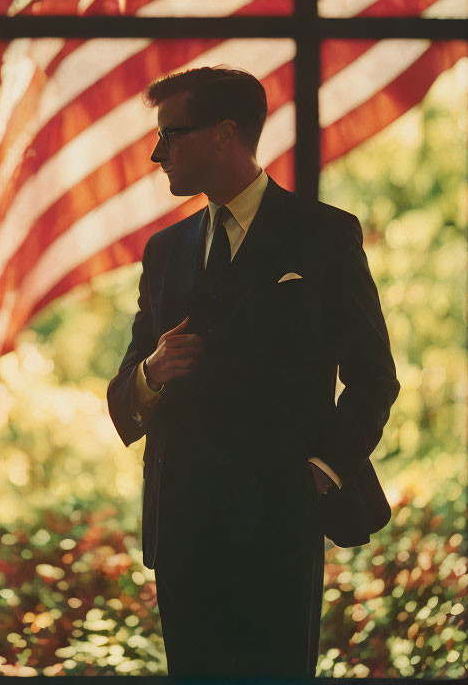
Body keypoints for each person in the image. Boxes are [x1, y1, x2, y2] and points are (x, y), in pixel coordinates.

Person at [106, 66, 400, 678]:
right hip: (182, 529)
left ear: (224, 133)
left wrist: (319, 475)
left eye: (171, 134)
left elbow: (374, 377)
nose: (158, 153)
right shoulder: (165, 251)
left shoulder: (324, 235)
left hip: (281, 524)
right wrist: (152, 373)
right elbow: (124, 396)